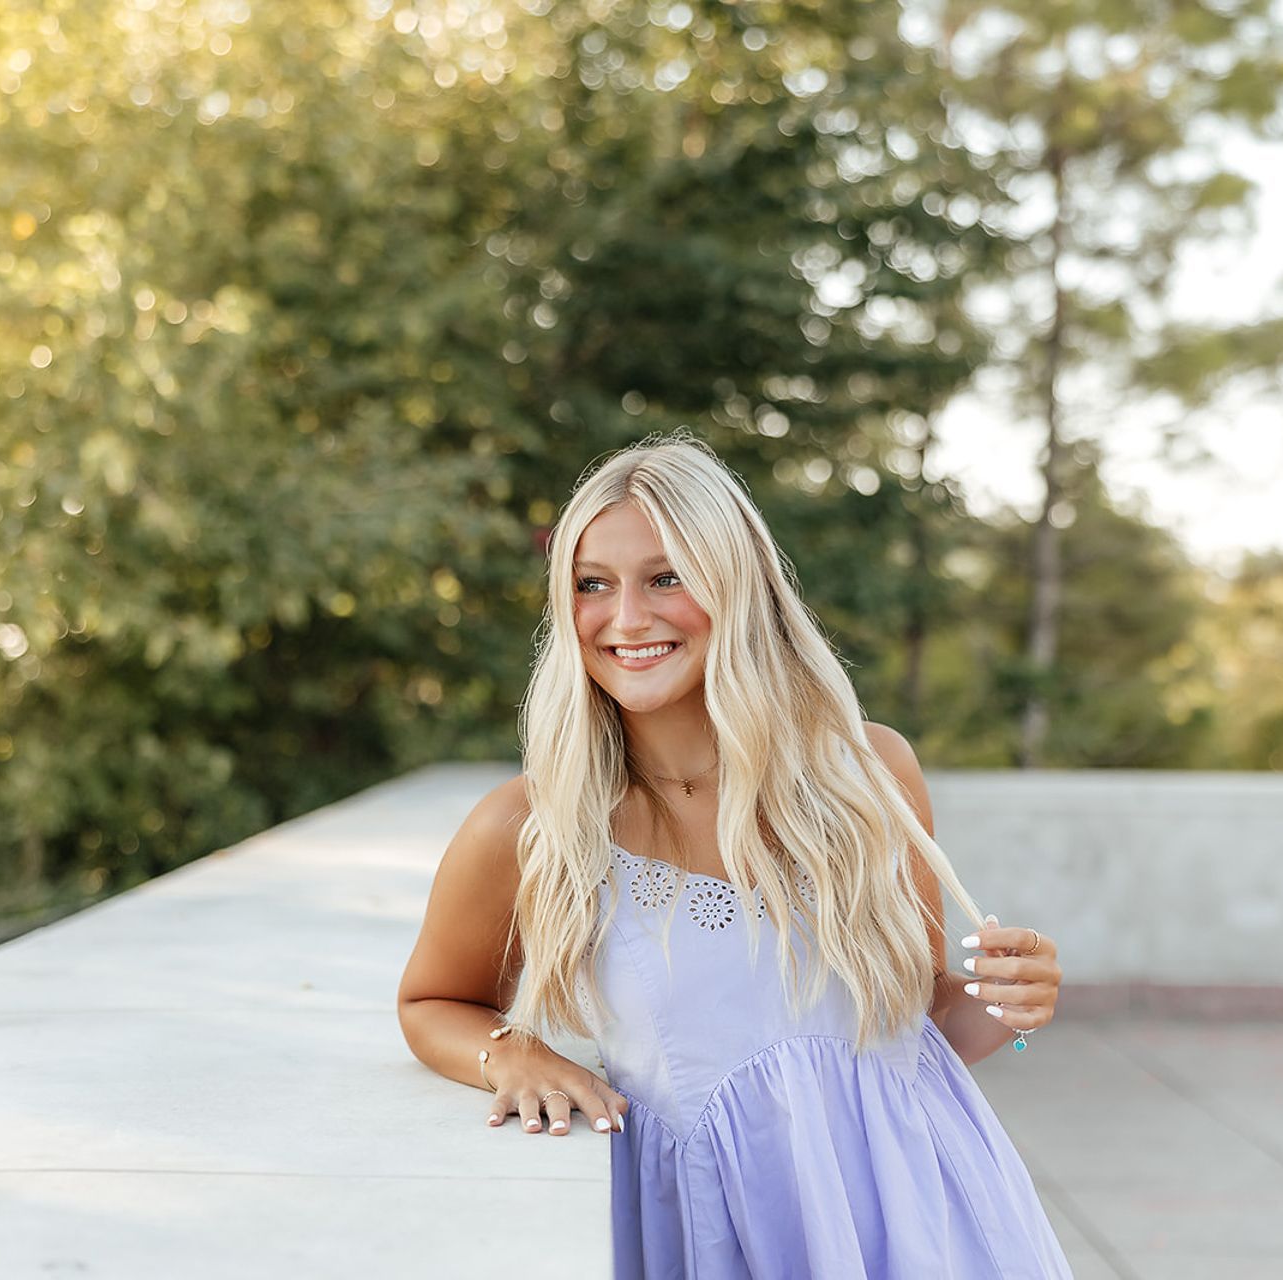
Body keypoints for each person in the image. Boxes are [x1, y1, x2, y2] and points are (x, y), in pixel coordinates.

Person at [397, 432, 1071, 1278]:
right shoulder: (533, 824)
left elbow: (914, 1022)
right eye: (592, 585)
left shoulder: (869, 772)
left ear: (737, 584)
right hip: (712, 1231)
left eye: (667, 577)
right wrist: (518, 1054)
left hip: (917, 1215)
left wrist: (1010, 999)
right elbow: (431, 1001)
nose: (627, 617)